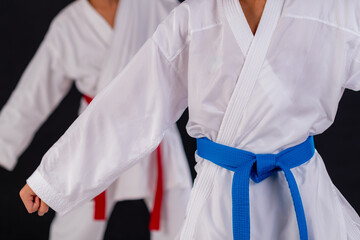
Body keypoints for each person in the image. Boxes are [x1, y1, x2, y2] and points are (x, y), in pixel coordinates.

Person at [19, 0, 360, 239]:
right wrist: (55, 178)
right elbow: (133, 104)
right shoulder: (194, 19)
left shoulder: (336, 11)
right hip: (221, 199)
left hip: (303, 195)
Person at [0, 0, 191, 239]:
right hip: (95, 135)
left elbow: (194, 49)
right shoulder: (68, 26)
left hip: (154, 126)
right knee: (74, 227)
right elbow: (33, 94)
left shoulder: (154, 4)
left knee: (183, 220)